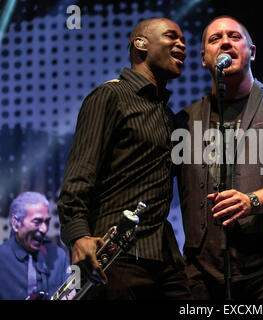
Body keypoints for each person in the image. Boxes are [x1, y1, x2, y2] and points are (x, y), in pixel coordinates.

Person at [174, 16, 263, 300]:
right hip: (201, 275)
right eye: (215, 39)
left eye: (234, 36)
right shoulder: (184, 121)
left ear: (251, 51)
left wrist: (251, 201)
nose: (226, 42)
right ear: (204, 58)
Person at [57, 18, 192, 299]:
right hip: (116, 256)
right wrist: (78, 235)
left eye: (183, 40)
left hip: (165, 259)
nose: (182, 44)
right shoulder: (109, 96)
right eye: (171, 37)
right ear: (140, 43)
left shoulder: (168, 116)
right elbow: (80, 174)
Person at [0, 192, 70, 300]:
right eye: (37, 221)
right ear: (15, 223)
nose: (44, 229)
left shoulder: (59, 255)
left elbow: (73, 288)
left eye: (47, 222)